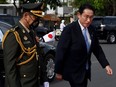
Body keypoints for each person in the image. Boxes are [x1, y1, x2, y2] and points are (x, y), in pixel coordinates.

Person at [55, 3, 113, 87]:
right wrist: (58, 71)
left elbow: (97, 49)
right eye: (86, 16)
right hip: (73, 72)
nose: (89, 20)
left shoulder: (91, 29)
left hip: (85, 70)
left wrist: (106, 65)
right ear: (79, 15)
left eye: (91, 17)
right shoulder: (70, 29)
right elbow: (61, 50)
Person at [2, 2, 49, 87]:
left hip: (34, 82)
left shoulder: (31, 32)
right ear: (26, 15)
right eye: (35, 17)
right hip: (22, 83)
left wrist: (44, 79)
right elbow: (10, 68)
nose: (37, 21)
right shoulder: (14, 34)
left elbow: (38, 56)